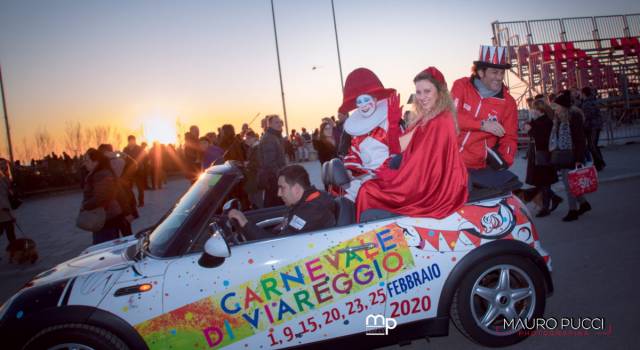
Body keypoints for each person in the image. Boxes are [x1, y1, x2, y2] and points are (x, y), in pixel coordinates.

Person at [356, 67, 468, 220]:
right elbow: (398, 148)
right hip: (417, 179)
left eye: (427, 91)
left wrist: (395, 178)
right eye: (419, 92)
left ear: (440, 92)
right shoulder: (424, 118)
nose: (422, 97)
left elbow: (427, 166)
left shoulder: (441, 120)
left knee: (368, 191)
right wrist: (393, 124)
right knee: (368, 188)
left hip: (430, 188)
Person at [451, 46, 519, 189]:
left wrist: (504, 160)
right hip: (448, 160)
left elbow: (510, 137)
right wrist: (482, 124)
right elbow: (451, 116)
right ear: (481, 72)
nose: (499, 77)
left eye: (502, 72)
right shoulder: (461, 85)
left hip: (477, 167)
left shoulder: (508, 102)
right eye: (494, 72)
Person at [338, 67, 402, 201]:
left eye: (366, 100)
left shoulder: (389, 122)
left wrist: (377, 174)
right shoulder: (357, 131)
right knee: (344, 196)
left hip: (390, 179)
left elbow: (398, 154)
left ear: (374, 98)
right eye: (359, 102)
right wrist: (353, 170)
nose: (363, 105)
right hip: (366, 178)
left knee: (365, 193)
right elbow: (353, 154)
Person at [228, 165, 335, 240]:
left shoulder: (313, 209)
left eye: (282, 188)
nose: (279, 194)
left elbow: (278, 245)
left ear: (296, 189)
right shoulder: (306, 202)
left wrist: (244, 223)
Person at [550, 90, 591, 222]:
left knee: (569, 185)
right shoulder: (560, 118)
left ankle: (573, 211)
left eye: (556, 107)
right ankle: (584, 204)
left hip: (572, 155)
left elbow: (580, 140)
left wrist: (579, 158)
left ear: (563, 107)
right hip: (563, 155)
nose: (555, 109)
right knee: (571, 183)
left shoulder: (573, 118)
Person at [524, 99, 563, 217]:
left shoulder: (546, 121)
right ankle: (553, 199)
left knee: (544, 181)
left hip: (543, 154)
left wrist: (530, 130)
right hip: (538, 154)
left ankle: (546, 207)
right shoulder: (540, 120)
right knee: (540, 181)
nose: (532, 110)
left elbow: (542, 139)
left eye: (534, 109)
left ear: (539, 110)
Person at [81, 149, 122, 244]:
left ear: (96, 162)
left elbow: (101, 197)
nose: (84, 164)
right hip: (104, 217)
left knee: (105, 247)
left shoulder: (102, 174)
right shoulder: (98, 173)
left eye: (87, 161)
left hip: (106, 218)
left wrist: (86, 205)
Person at [258, 115, 287, 207]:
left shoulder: (275, 136)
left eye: (280, 122)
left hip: (275, 177)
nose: (280, 124)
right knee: (275, 204)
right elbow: (269, 162)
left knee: (274, 203)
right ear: (269, 124)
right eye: (276, 122)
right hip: (273, 178)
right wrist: (280, 176)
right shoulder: (269, 138)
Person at [581, 87, 606, 171]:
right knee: (593, 145)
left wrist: (584, 126)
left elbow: (587, 117)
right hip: (595, 126)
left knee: (592, 145)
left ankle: (600, 163)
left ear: (583, 94)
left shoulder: (587, 103)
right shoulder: (592, 100)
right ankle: (598, 162)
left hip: (592, 126)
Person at [123, 135, 146, 207]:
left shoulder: (139, 148)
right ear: (128, 141)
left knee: (140, 187)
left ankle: (141, 202)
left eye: (133, 140)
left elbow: (143, 157)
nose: (131, 141)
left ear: (135, 140)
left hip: (138, 170)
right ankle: (132, 202)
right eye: (130, 140)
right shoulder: (125, 149)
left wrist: (141, 164)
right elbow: (124, 158)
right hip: (129, 170)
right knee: (129, 188)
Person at [243, 131, 263, 209]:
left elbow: (259, 163)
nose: (246, 140)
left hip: (256, 178)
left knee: (257, 200)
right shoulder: (252, 148)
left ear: (254, 138)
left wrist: (248, 164)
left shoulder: (257, 148)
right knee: (253, 199)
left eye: (248, 138)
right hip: (252, 178)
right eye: (245, 138)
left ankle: (260, 216)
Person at [0, 158, 17, 247]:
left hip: (6, 211)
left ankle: (15, 251)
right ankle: (15, 251)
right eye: (2, 167)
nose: (4, 168)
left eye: (6, 167)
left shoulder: (4, 179)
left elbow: (8, 194)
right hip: (3, 211)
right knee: (9, 233)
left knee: (10, 233)